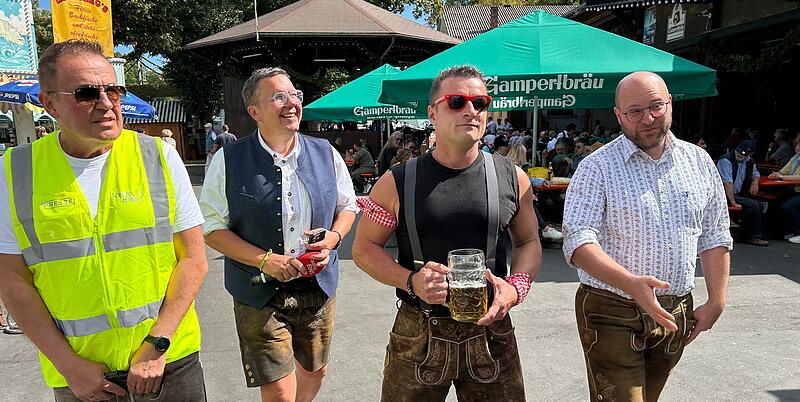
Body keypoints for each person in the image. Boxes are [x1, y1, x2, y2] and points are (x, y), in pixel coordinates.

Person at [0, 40, 208, 400]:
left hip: (168, 360)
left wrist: (157, 343)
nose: (107, 103)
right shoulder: (14, 173)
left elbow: (193, 259)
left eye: (113, 90)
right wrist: (69, 366)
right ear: (49, 103)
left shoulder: (158, 156)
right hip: (80, 372)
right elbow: (12, 281)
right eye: (86, 93)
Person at [352, 65, 541, 401]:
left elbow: (528, 241)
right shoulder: (397, 181)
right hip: (419, 333)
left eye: (480, 103)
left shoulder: (513, 177)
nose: (470, 110)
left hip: (490, 332)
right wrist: (411, 281)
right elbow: (364, 248)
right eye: (456, 101)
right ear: (432, 112)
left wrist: (516, 288)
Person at [563, 71, 732, 402]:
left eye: (656, 106)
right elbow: (578, 241)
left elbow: (715, 234)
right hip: (612, 307)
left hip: (676, 311)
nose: (648, 118)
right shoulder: (597, 166)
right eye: (635, 111)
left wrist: (717, 299)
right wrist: (631, 283)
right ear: (618, 115)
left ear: (669, 102)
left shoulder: (698, 161)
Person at [200, 67, 357, 402]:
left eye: (294, 95)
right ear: (254, 111)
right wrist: (266, 261)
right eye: (278, 97)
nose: (291, 103)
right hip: (258, 291)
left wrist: (334, 238)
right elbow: (212, 228)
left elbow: (348, 206)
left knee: (315, 372)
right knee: (279, 392)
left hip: (317, 284)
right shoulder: (229, 159)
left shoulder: (325, 152)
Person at [717, 140, 769, 246]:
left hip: (740, 193)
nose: (740, 155)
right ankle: (753, 237)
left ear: (750, 154)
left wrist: (755, 182)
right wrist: (733, 202)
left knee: (759, 204)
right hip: (725, 195)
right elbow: (728, 183)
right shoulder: (726, 160)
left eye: (744, 154)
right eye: (739, 152)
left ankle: (745, 233)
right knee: (753, 205)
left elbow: (756, 173)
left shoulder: (750, 161)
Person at [768, 140, 800, 243]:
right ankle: (787, 230)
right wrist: (776, 174)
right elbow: (783, 171)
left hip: (797, 191)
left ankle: (798, 232)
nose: (797, 148)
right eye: (797, 145)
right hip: (794, 190)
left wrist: (781, 177)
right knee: (776, 202)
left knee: (788, 206)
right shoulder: (795, 158)